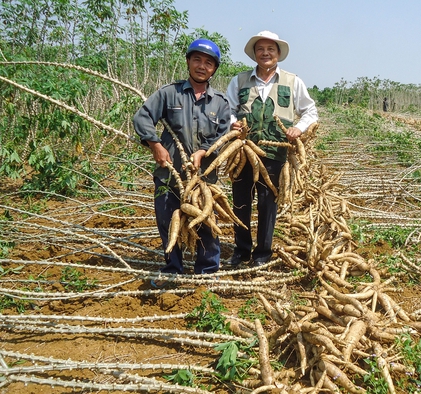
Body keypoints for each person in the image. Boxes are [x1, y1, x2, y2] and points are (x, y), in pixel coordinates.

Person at [133, 39, 231, 285]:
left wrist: (204, 151)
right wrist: (155, 144)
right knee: (168, 222)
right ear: (188, 61)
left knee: (206, 222)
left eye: (208, 63)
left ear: (214, 69)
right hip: (169, 174)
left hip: (203, 178)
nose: (202, 66)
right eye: (197, 60)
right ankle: (173, 269)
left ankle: (207, 272)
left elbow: (223, 135)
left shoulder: (220, 102)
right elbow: (143, 117)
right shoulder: (169, 93)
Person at [225, 31, 318, 268]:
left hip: (274, 153)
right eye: (260, 49)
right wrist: (233, 122)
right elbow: (227, 109)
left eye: (270, 49)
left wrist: (298, 128)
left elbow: (310, 111)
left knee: (268, 203)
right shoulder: (239, 80)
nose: (265, 53)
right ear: (255, 54)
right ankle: (242, 250)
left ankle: (262, 253)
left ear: (278, 54)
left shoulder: (292, 81)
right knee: (241, 202)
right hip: (243, 151)